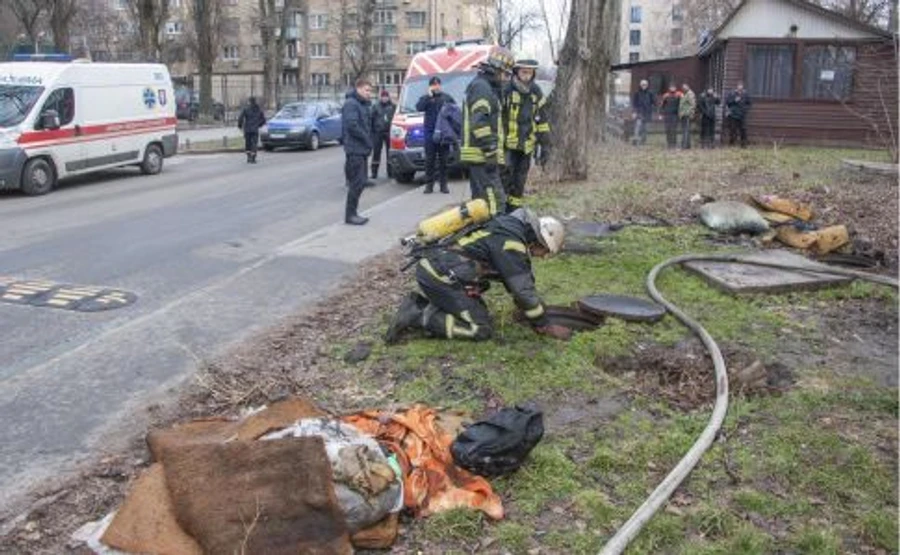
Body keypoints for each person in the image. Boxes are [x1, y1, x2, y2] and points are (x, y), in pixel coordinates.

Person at [384, 208, 571, 343]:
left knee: (478, 313)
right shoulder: (512, 245)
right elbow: (522, 290)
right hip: (439, 276)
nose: (543, 256)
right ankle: (417, 315)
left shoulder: (508, 226)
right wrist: (544, 325)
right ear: (540, 241)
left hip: (439, 268)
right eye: (546, 252)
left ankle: (427, 306)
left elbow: (516, 281)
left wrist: (530, 305)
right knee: (481, 329)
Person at [461, 46, 516, 215]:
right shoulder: (482, 88)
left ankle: (485, 236)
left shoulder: (485, 86)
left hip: (482, 157)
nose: (506, 79)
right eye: (505, 74)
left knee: (483, 204)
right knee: (494, 204)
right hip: (482, 156)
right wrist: (491, 150)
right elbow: (480, 123)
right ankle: (493, 237)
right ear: (496, 69)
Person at [501, 59, 551, 213]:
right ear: (516, 72)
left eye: (530, 72)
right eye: (524, 72)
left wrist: (545, 146)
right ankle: (501, 212)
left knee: (519, 182)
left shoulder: (536, 92)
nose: (527, 76)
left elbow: (542, 121)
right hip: (507, 147)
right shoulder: (507, 90)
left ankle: (514, 211)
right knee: (505, 179)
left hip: (526, 147)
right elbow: (499, 118)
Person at [342, 78, 374, 226]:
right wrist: (367, 140)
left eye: (370, 91)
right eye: (367, 90)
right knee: (357, 182)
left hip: (361, 149)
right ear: (359, 89)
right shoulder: (351, 104)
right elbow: (352, 126)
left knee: (361, 182)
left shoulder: (361, 104)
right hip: (355, 149)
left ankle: (353, 213)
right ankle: (350, 215)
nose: (369, 93)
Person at [416, 76, 451, 193]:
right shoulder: (426, 98)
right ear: (430, 86)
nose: (436, 86)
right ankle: (429, 185)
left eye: (438, 84)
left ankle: (443, 185)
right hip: (429, 134)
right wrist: (428, 97)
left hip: (443, 133)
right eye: (433, 84)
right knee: (429, 161)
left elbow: (454, 110)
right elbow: (419, 107)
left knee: (443, 161)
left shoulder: (446, 97)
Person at [431, 96, 462, 194]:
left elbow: (438, 124)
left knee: (435, 162)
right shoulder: (457, 110)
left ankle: (434, 184)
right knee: (444, 163)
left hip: (439, 138)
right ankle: (443, 185)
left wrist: (436, 135)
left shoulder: (443, 111)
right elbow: (459, 125)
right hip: (450, 140)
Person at [370, 89, 396, 179]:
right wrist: (372, 132)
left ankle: (391, 172)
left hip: (389, 132)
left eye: (386, 96)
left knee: (390, 153)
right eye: (383, 96)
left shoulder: (393, 107)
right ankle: (374, 172)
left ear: (388, 97)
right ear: (380, 97)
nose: (384, 98)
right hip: (378, 132)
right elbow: (371, 119)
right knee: (376, 152)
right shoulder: (375, 106)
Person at [237, 97, 266, 164]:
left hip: (247, 129)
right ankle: (253, 157)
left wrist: (240, 125)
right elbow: (263, 120)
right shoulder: (258, 110)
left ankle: (249, 157)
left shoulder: (246, 109)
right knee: (254, 143)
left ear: (249, 102)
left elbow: (241, 118)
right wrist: (258, 125)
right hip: (255, 129)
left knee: (248, 143)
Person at [725, 81, 752, 148]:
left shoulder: (745, 94)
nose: (740, 87)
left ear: (743, 87)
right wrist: (734, 100)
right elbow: (728, 102)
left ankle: (743, 145)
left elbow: (749, 103)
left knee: (743, 130)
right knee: (733, 130)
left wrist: (745, 110)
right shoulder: (732, 94)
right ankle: (732, 144)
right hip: (733, 115)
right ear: (737, 86)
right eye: (739, 86)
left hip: (742, 115)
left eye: (741, 86)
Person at [631, 79, 655, 146]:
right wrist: (634, 112)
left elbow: (653, 102)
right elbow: (634, 104)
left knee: (645, 128)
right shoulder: (637, 93)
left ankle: (643, 141)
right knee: (638, 126)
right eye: (642, 84)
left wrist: (653, 109)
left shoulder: (650, 93)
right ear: (640, 85)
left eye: (645, 84)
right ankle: (635, 140)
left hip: (647, 113)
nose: (644, 86)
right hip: (639, 112)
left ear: (647, 85)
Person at [659, 84, 682, 149]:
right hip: (667, 115)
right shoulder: (666, 95)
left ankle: (674, 143)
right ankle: (669, 143)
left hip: (675, 115)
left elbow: (682, 104)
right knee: (667, 129)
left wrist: (681, 113)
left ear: (675, 88)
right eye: (671, 87)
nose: (672, 89)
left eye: (674, 87)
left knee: (674, 129)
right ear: (669, 88)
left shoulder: (679, 95)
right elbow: (662, 105)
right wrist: (660, 114)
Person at [678, 83, 696, 150]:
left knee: (686, 131)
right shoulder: (684, 94)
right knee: (685, 130)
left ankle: (684, 146)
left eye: (685, 87)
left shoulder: (690, 94)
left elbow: (693, 105)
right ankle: (687, 145)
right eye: (683, 87)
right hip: (683, 115)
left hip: (687, 115)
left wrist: (689, 113)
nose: (684, 88)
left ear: (688, 87)